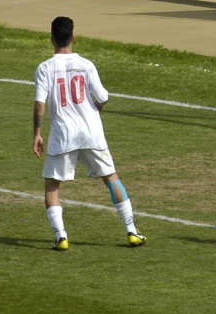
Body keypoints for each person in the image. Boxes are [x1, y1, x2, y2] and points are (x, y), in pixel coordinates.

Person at [32, 15, 146, 250]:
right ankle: (132, 231)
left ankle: (61, 237)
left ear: (51, 39)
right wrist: (95, 109)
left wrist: (37, 133)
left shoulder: (45, 68)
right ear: (73, 37)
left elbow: (39, 104)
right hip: (91, 131)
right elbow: (103, 98)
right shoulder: (86, 64)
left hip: (63, 133)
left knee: (53, 185)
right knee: (110, 177)